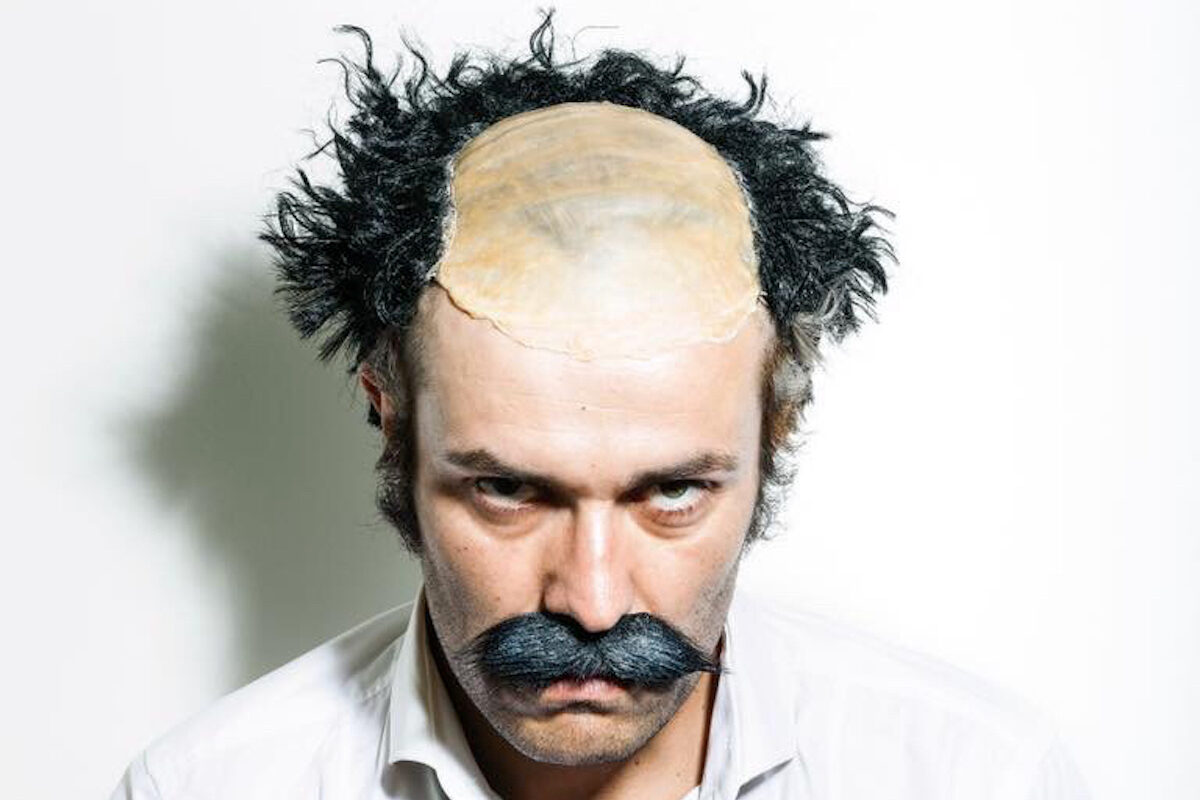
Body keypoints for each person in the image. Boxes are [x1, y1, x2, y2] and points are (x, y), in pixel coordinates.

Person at [111, 14, 1089, 800]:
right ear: (393, 415)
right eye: (507, 489)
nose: (592, 600)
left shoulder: (975, 778)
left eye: (673, 492)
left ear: (776, 428)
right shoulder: (208, 787)